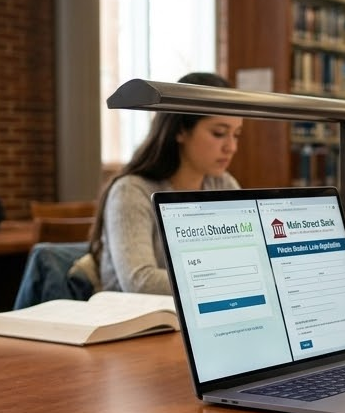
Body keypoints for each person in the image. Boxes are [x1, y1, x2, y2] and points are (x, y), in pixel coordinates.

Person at [90, 72, 243, 294]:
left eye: (236, 135)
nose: (231, 147)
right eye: (219, 133)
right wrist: (229, 279)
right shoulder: (132, 191)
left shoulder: (223, 184)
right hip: (136, 322)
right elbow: (141, 282)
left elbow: (247, 258)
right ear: (180, 130)